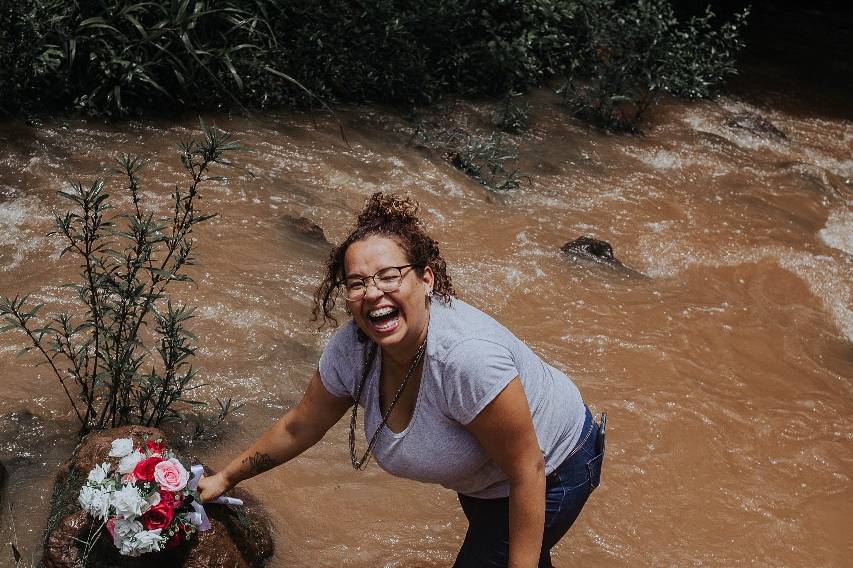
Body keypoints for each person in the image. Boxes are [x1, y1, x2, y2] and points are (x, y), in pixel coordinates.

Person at [198, 192, 605, 568]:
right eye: (357, 283)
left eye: (389, 275)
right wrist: (226, 477)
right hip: (489, 482)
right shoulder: (353, 349)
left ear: (426, 279)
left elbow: (526, 469)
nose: (373, 293)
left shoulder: (465, 359)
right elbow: (300, 425)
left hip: (556, 467)